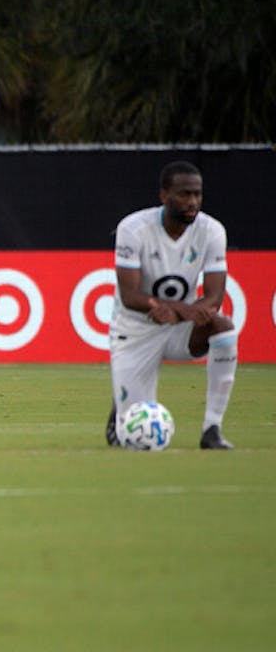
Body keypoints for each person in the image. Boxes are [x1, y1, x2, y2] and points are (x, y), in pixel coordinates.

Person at [105, 161, 237, 450]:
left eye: (197, 194)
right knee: (128, 440)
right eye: (184, 194)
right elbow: (129, 295)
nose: (192, 202)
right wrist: (169, 307)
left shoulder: (212, 231)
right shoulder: (133, 228)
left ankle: (211, 429)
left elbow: (215, 296)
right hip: (136, 330)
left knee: (223, 328)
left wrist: (178, 312)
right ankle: (122, 407)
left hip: (180, 329)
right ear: (164, 196)